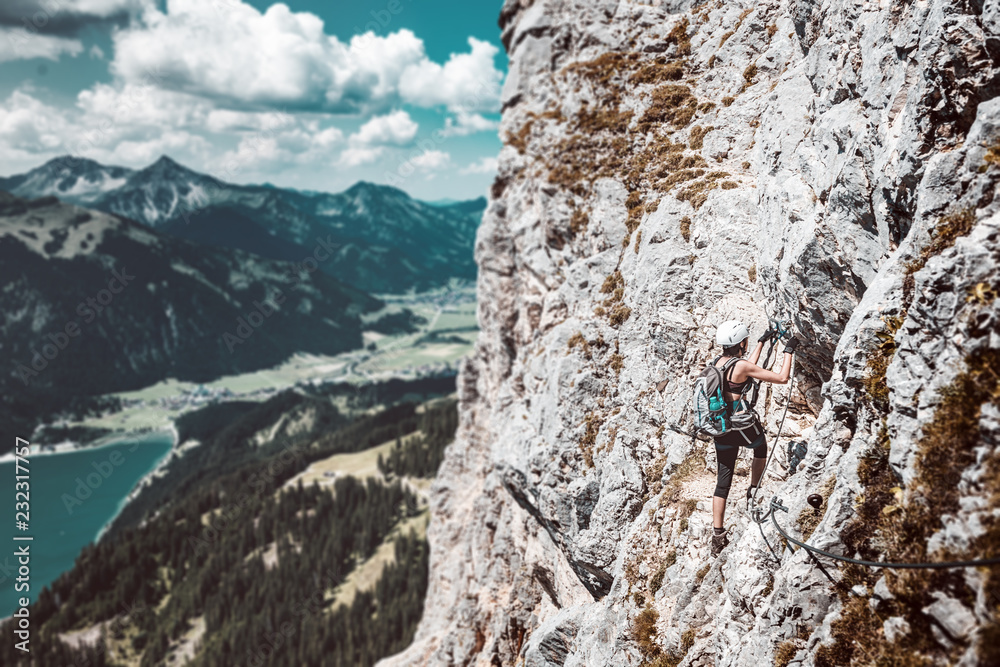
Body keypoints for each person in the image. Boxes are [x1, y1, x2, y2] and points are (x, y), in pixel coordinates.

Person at [710, 320, 798, 556]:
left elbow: (746, 367)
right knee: (760, 447)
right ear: (741, 343)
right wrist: (788, 350)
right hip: (739, 426)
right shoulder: (740, 366)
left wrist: (761, 342)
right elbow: (781, 378)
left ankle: (717, 535)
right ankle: (753, 490)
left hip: (720, 427)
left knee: (723, 480)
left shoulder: (717, 363)